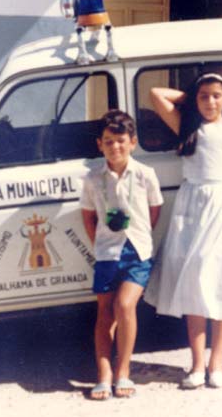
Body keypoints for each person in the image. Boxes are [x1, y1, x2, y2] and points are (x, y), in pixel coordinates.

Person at [144, 73, 222, 389]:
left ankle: (217, 362)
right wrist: (191, 95)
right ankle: (196, 364)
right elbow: (157, 94)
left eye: (215, 96)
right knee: (194, 281)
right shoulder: (188, 126)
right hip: (193, 205)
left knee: (221, 280)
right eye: (204, 96)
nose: (210, 102)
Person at [80, 110, 163, 400]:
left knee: (125, 306)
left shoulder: (144, 175)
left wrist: (139, 236)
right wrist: (101, 245)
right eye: (108, 141)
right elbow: (88, 217)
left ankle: (123, 371)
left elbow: (154, 211)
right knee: (105, 312)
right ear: (99, 144)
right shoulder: (92, 179)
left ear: (132, 142)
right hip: (107, 252)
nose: (115, 147)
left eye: (120, 140)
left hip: (137, 250)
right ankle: (103, 374)